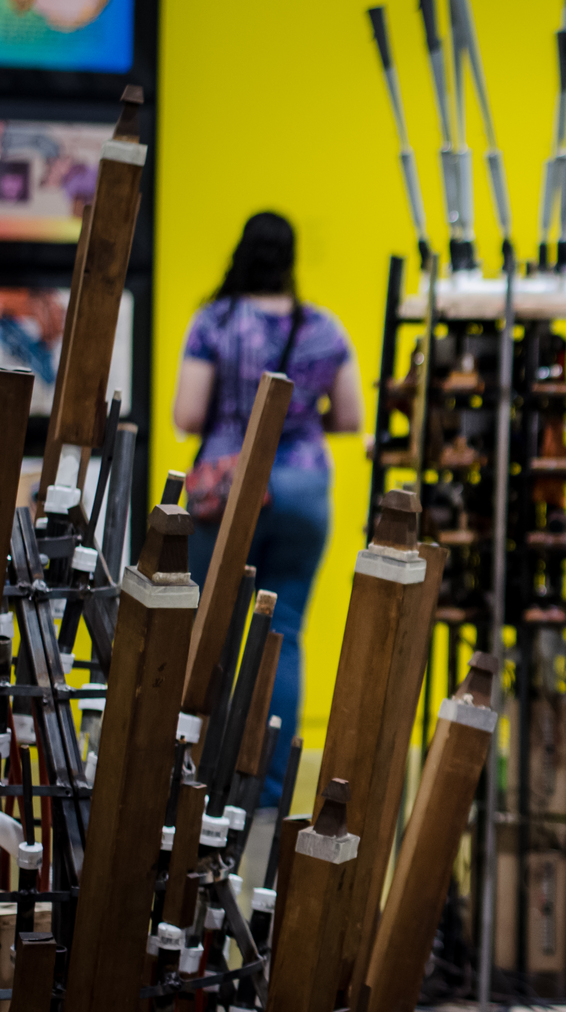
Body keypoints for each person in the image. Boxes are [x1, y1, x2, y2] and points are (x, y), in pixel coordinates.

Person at [172, 211, 363, 808]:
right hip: (304, 488)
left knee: (211, 630)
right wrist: (302, 421)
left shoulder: (215, 322)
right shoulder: (324, 328)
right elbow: (352, 417)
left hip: (230, 489)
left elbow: (188, 415)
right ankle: (267, 788)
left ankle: (197, 776)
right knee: (284, 632)